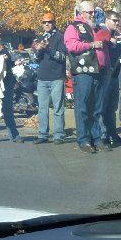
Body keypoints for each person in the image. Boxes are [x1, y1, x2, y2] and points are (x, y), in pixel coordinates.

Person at [64, 0, 105, 153]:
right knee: (83, 107)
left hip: (99, 71)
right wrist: (91, 45)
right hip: (83, 72)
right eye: (90, 12)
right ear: (81, 13)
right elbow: (71, 46)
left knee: (96, 107)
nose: (93, 14)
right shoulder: (73, 27)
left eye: (94, 12)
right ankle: (84, 139)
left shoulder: (95, 27)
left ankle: (97, 138)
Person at [32, 12, 67, 145]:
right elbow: (35, 59)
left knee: (58, 107)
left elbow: (62, 57)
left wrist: (48, 49)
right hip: (42, 77)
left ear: (54, 23)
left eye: (49, 22)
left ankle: (59, 135)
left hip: (57, 77)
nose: (47, 24)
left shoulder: (60, 37)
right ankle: (43, 134)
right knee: (42, 107)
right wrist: (38, 50)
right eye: (44, 22)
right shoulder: (39, 38)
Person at [97, 10, 121, 148]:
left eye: (118, 21)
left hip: (114, 75)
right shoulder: (102, 32)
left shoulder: (119, 35)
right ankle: (103, 136)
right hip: (103, 76)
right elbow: (99, 42)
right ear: (107, 20)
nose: (116, 23)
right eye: (114, 20)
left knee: (111, 107)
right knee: (102, 107)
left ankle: (112, 133)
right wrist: (110, 41)